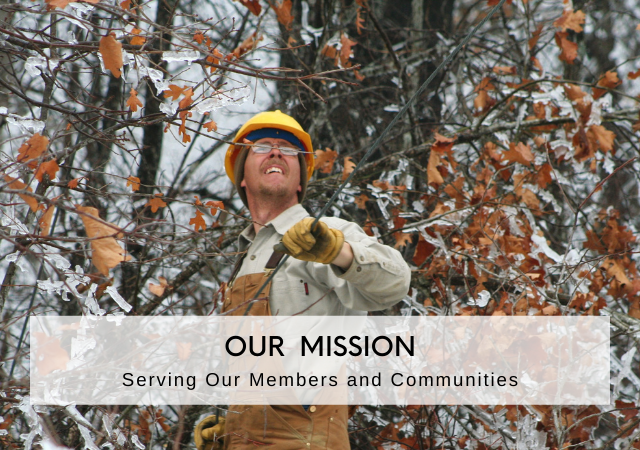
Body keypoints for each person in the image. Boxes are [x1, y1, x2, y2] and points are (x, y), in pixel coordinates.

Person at [194, 110, 411, 450]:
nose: (277, 152)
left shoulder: (328, 233)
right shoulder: (243, 260)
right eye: (263, 146)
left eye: (290, 149)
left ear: (300, 181)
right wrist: (235, 427)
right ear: (242, 177)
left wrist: (336, 252)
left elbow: (396, 282)